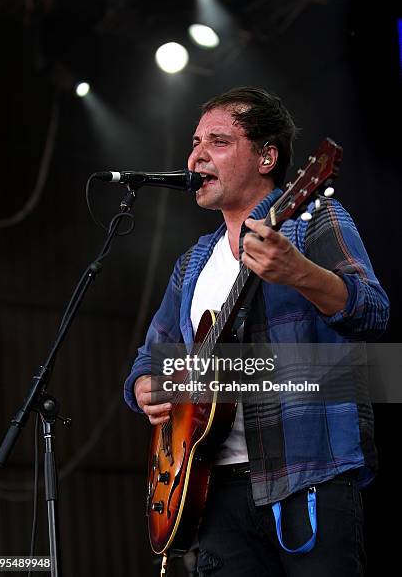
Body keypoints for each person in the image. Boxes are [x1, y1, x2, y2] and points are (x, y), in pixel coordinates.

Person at [124, 87, 389, 576]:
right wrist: (144, 387)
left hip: (308, 478)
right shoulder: (192, 265)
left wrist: (300, 273)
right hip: (212, 490)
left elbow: (373, 312)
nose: (196, 155)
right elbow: (151, 358)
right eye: (196, 142)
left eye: (219, 142)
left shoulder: (312, 221)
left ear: (267, 156)